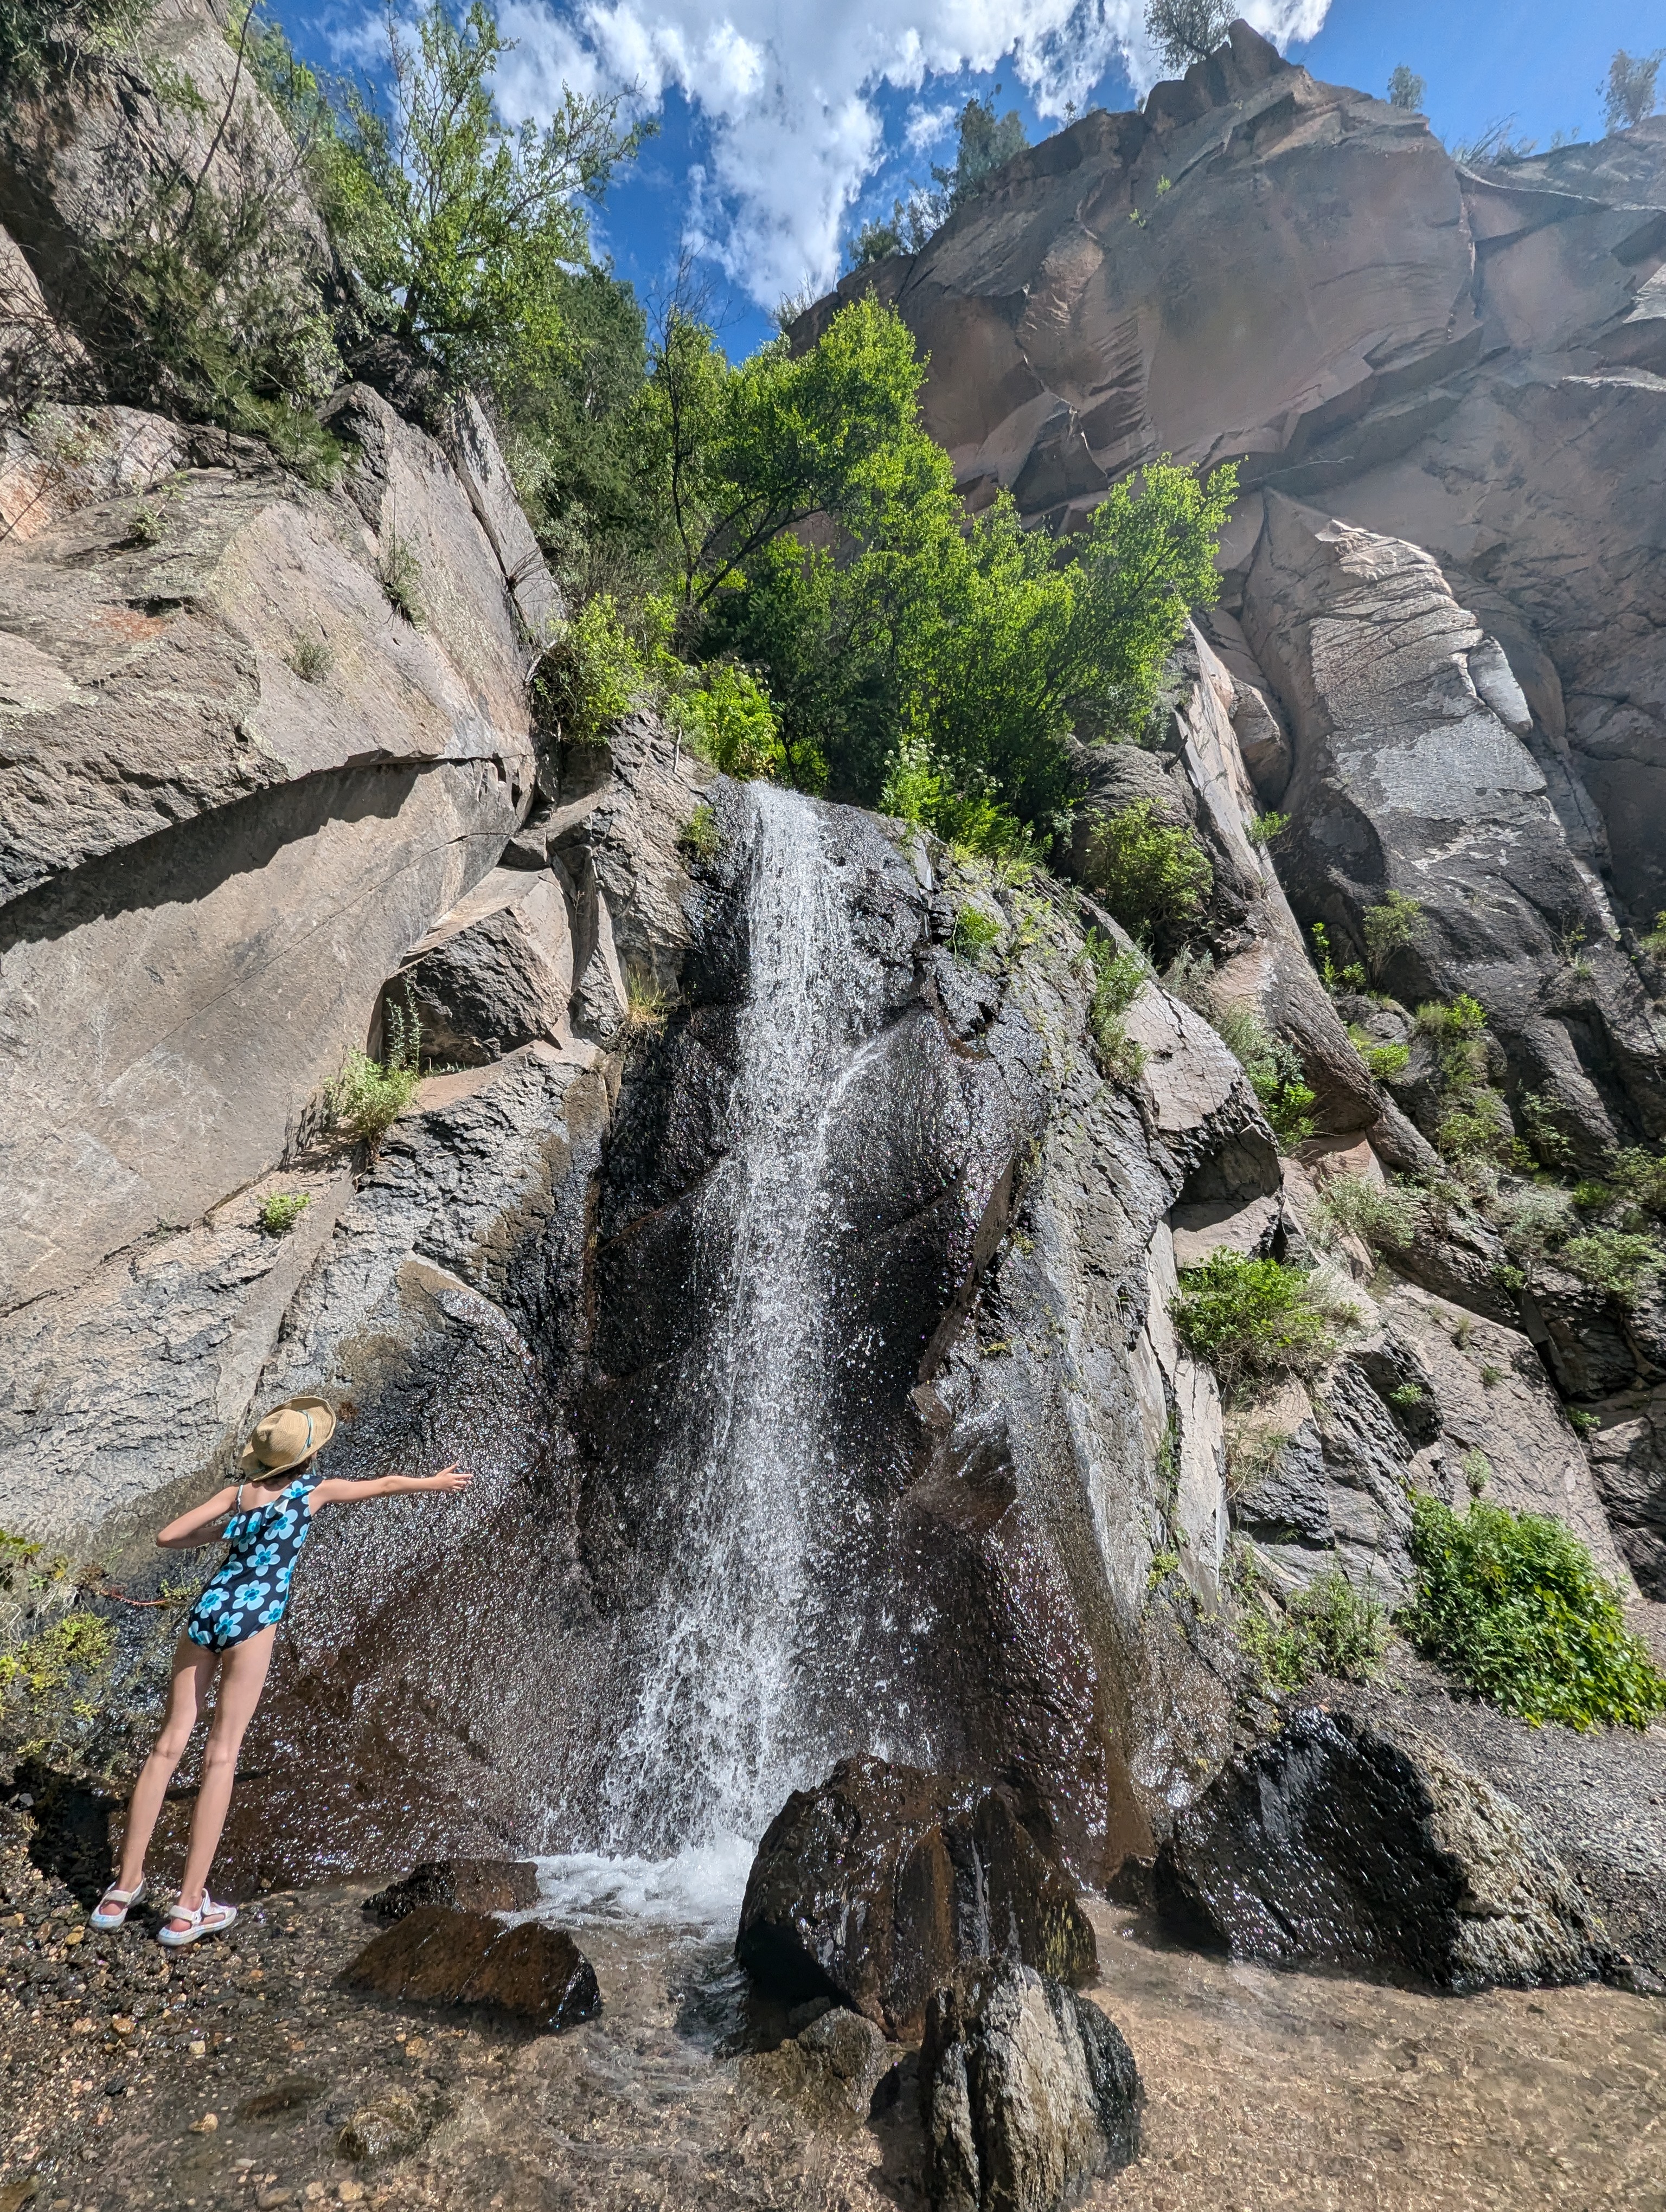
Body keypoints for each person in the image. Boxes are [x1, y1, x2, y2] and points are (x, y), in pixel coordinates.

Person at [89, 1396, 471, 1947]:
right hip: (253, 1621)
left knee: (168, 1748)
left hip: (208, 1614)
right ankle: (187, 1908)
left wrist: (220, 1535)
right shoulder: (310, 1492)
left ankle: (121, 1890)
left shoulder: (237, 1495)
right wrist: (432, 1483)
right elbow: (384, 1485)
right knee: (222, 1755)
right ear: (306, 1457)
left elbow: (168, 1537)